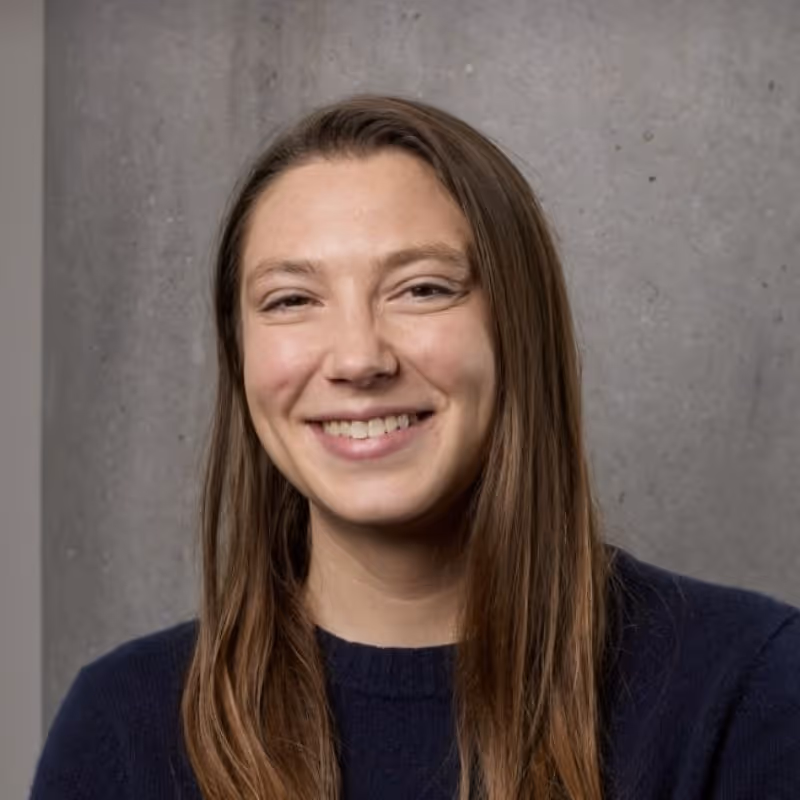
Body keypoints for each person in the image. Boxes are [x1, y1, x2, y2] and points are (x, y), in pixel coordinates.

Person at [31, 95, 800, 800]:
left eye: (423, 288)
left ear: (517, 330)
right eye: (292, 300)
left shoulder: (747, 689)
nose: (359, 358)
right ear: (240, 358)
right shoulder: (120, 730)